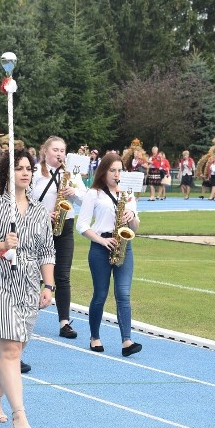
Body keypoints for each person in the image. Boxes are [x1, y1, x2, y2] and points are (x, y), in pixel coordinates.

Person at [0, 148, 55, 428]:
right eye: (19, 168)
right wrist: (2, 245)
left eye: (29, 168)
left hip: (29, 282)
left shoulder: (39, 211)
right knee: (9, 349)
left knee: (14, 349)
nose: (25, 173)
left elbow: (47, 250)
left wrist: (48, 285)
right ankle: (19, 414)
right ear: (8, 173)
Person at [76, 153, 142, 356]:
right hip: (101, 247)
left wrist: (131, 216)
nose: (116, 174)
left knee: (123, 294)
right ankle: (94, 336)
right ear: (103, 171)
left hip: (123, 245)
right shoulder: (94, 193)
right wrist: (102, 240)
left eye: (119, 170)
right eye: (112, 170)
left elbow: (136, 228)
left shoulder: (128, 195)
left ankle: (127, 341)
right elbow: (82, 225)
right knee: (100, 295)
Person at [32, 136, 85, 339]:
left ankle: (64, 322)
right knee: (34, 272)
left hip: (65, 226)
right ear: (45, 151)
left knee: (63, 275)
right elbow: (24, 199)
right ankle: (27, 314)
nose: (59, 154)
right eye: (55, 150)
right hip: (39, 226)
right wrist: (43, 214)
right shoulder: (35, 172)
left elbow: (84, 199)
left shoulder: (71, 174)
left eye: (62, 150)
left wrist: (74, 192)